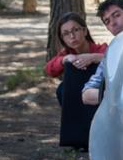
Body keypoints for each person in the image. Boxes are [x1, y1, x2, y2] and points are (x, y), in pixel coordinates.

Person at [45, 12, 107, 149]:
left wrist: (93, 57)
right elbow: (49, 70)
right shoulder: (67, 54)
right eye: (66, 34)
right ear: (62, 38)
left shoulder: (100, 49)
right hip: (78, 105)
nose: (72, 36)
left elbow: (114, 57)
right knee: (61, 89)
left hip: (99, 98)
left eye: (75, 30)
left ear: (84, 31)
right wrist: (64, 59)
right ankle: (76, 136)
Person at [81, 0, 123, 106]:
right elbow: (86, 94)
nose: (113, 23)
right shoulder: (112, 53)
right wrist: (113, 95)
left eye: (117, 15)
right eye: (107, 21)